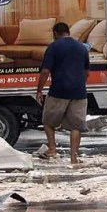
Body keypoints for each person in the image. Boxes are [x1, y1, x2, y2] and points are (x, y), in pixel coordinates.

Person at [35, 22, 90, 165]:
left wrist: (39, 90)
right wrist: (80, 84)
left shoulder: (54, 47)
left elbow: (45, 71)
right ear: (68, 31)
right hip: (79, 92)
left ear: (55, 33)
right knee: (76, 126)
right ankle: (74, 159)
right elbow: (87, 72)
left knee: (48, 122)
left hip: (58, 91)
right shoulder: (81, 47)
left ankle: (52, 149)